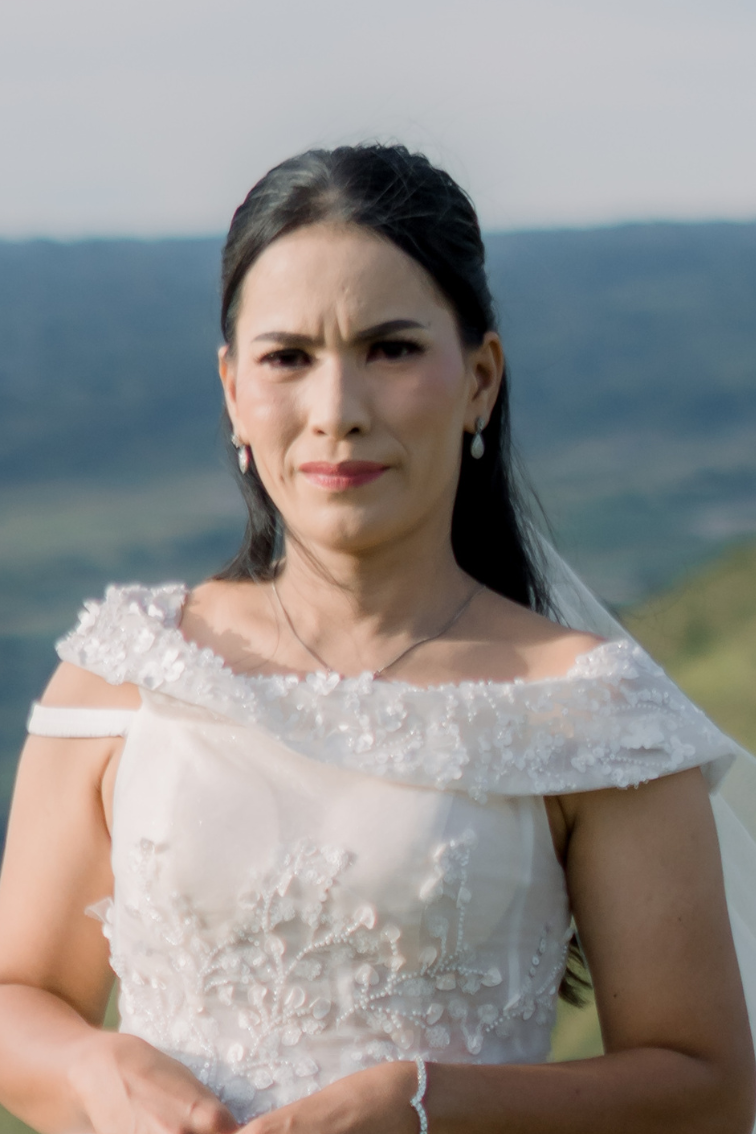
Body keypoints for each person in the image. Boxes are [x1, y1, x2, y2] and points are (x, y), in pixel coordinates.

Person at [0, 143, 754, 1134]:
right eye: (287, 358)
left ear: (480, 379)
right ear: (233, 390)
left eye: (390, 350)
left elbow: (708, 1088)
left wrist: (427, 1103)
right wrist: (97, 1069)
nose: (337, 413)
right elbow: (16, 999)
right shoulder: (123, 672)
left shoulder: (593, 712)